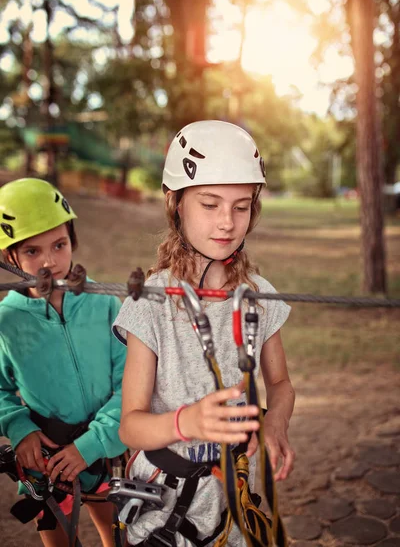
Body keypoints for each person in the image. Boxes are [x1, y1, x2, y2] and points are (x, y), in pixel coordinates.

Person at [113, 120, 295, 546]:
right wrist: (187, 421)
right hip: (163, 510)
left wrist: (275, 425)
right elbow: (130, 428)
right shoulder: (150, 302)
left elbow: (281, 384)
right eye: (210, 204)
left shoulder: (258, 296)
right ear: (176, 203)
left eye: (241, 206)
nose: (227, 223)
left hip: (229, 502)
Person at [0, 178, 127, 547]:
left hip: (106, 452)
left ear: (73, 239)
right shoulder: (7, 321)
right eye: (32, 252)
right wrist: (19, 427)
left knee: (119, 537)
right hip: (47, 462)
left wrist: (93, 444)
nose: (50, 262)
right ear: (10, 257)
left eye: (59, 245)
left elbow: (130, 383)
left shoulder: (104, 304)